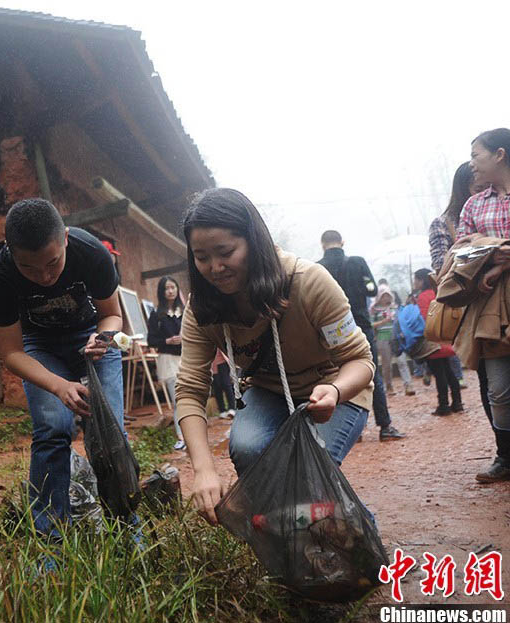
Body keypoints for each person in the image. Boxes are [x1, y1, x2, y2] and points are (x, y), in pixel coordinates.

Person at [176, 189, 374, 524]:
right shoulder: (201, 308)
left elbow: (361, 361)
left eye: (225, 252)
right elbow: (190, 391)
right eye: (202, 257)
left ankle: (355, 537)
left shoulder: (309, 282)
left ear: (254, 241)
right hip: (268, 391)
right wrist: (204, 469)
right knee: (249, 447)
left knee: (308, 469)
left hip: (333, 390)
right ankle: (293, 539)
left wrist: (336, 391)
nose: (215, 268)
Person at [0, 198, 124, 535]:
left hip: (91, 339)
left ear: (64, 238)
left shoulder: (91, 252)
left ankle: (125, 525)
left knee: (110, 432)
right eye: (29, 268)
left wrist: (102, 339)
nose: (44, 276)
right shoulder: (0, 274)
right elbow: (11, 352)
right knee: (52, 430)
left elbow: (113, 314)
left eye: (52, 263)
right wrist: (59, 385)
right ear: (10, 251)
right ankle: (50, 539)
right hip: (39, 347)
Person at [455, 127, 510, 482]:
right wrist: (494, 252)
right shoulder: (474, 205)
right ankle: (506, 458)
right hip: (491, 309)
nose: (471, 164)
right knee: (500, 387)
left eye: (477, 155)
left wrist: (508, 259)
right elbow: (459, 253)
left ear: (500, 155)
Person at [318, 230, 406, 441]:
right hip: (360, 327)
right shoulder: (357, 263)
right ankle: (385, 427)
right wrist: (360, 285)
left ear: (322, 245)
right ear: (342, 242)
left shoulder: (318, 267)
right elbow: (371, 289)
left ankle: (351, 432)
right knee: (370, 374)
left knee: (337, 377)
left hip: (332, 331)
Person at [413, 268, 463, 415]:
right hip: (445, 337)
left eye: (416, 279)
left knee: (439, 373)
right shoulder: (439, 292)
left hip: (432, 339)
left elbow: (423, 317)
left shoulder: (422, 296)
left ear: (422, 280)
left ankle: (443, 405)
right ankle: (457, 402)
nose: (414, 282)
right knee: (449, 371)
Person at [146, 276, 186, 450]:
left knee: (190, 397)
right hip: (168, 360)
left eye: (173, 287)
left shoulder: (185, 312)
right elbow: (151, 340)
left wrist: (183, 339)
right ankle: (181, 436)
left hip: (186, 359)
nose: (170, 291)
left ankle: (194, 434)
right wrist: (167, 341)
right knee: (177, 399)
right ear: (162, 292)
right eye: (167, 288)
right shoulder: (157, 315)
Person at [369, 284, 415, 396]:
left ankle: (408, 385)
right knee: (386, 365)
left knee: (402, 361)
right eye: (383, 296)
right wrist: (383, 322)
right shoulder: (374, 310)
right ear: (379, 297)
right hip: (382, 338)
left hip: (396, 338)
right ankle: (389, 387)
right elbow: (371, 325)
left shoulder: (395, 308)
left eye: (388, 296)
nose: (386, 298)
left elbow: (402, 321)